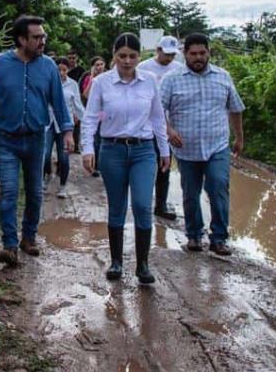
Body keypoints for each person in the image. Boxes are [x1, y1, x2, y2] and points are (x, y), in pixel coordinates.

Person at [0, 15, 74, 266]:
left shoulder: (49, 67)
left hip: (36, 139)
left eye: (43, 36)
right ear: (21, 39)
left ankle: (28, 237)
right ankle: (10, 244)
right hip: (6, 139)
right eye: (37, 37)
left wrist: (67, 131)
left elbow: (58, 103)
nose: (42, 41)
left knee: (34, 192)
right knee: (9, 191)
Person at [81, 33, 171, 284]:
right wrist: (88, 148)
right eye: (122, 56)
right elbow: (90, 118)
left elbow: (157, 118)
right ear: (114, 55)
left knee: (142, 204)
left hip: (143, 150)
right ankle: (116, 262)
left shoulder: (150, 81)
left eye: (132, 56)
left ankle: (142, 264)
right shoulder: (101, 83)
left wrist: (164, 150)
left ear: (139, 56)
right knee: (117, 206)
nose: (127, 61)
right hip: (112, 150)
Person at [160, 33, 245, 256]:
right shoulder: (172, 79)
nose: (198, 57)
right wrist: (169, 130)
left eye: (202, 53)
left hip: (217, 146)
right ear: (185, 54)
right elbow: (158, 110)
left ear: (208, 53)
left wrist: (239, 138)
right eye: (193, 54)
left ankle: (219, 238)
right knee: (190, 193)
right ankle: (195, 235)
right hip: (186, 149)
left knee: (218, 188)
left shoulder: (223, 76)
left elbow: (235, 108)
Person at [137, 35, 185, 221]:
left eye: (173, 54)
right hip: (145, 126)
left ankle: (161, 204)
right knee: (148, 165)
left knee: (164, 165)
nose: (170, 58)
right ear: (158, 50)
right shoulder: (144, 68)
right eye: (167, 54)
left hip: (167, 126)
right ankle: (143, 202)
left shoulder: (178, 70)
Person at [44, 56, 85, 199]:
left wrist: (84, 122)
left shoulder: (72, 85)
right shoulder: (48, 83)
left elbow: (78, 105)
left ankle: (62, 186)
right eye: (58, 69)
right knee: (45, 154)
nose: (61, 73)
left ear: (68, 70)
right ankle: (47, 174)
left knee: (64, 157)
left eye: (64, 70)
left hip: (65, 127)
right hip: (48, 123)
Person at [80, 56, 107, 176]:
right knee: (95, 139)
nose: (100, 67)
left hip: (105, 112)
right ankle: (95, 166)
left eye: (101, 64)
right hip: (93, 112)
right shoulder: (88, 78)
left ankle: (102, 165)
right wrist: (92, 78)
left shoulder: (108, 78)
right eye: (97, 65)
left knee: (103, 138)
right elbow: (85, 95)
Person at [66, 51, 86, 152]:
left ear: (76, 58)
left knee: (77, 122)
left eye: (73, 58)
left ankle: (76, 145)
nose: (72, 60)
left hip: (77, 96)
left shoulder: (81, 71)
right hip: (67, 97)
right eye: (70, 58)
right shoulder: (64, 71)